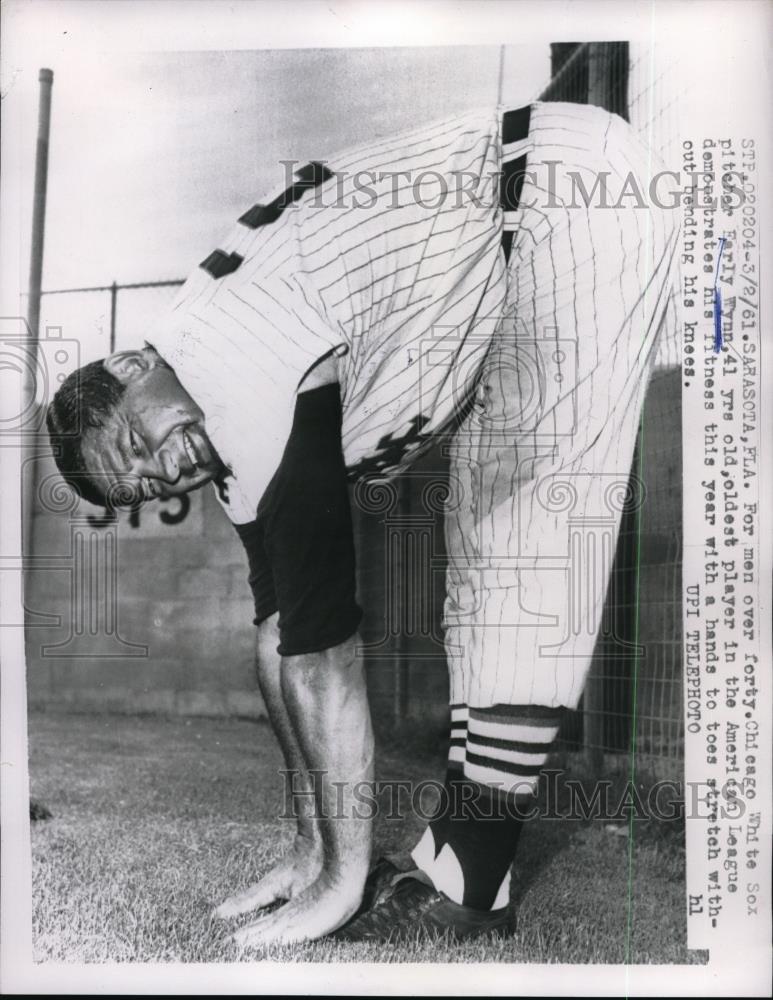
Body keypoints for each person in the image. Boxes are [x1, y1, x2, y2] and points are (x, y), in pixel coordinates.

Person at [46, 101, 679, 946]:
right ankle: (456, 862)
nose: (164, 470)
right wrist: (306, 849)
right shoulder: (204, 404)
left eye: (136, 442)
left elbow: (325, 651)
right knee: (489, 532)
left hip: (567, 198)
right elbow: (278, 635)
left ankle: (468, 879)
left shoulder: (231, 366)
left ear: (131, 368)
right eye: (142, 484)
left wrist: (340, 883)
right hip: (510, 239)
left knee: (524, 523)